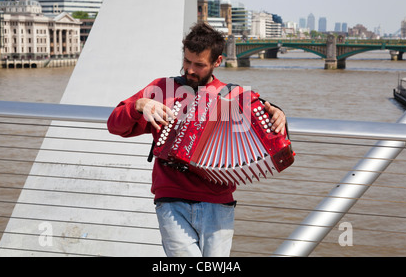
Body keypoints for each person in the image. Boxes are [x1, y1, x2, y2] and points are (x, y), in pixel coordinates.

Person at [107, 23, 286, 257]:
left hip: (218, 204)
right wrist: (138, 106)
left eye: (199, 65)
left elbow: (269, 130)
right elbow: (114, 125)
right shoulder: (162, 88)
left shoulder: (234, 96)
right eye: (187, 61)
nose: (190, 70)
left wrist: (278, 114)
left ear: (217, 61)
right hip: (171, 201)